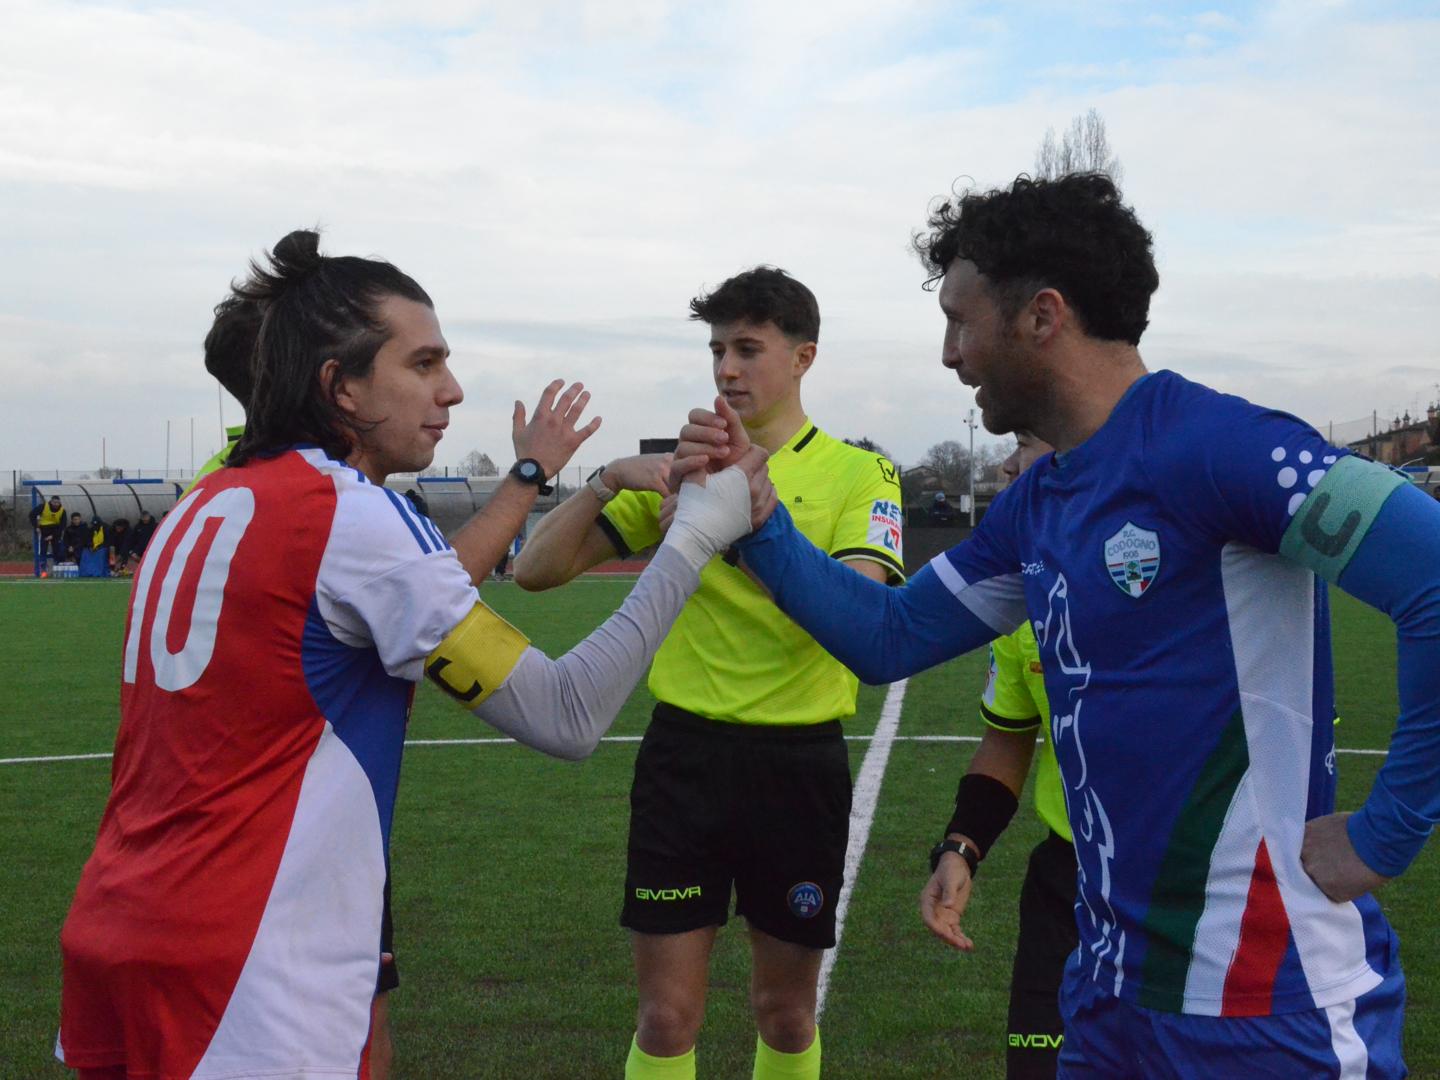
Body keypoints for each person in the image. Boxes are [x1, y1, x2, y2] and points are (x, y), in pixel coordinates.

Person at [677, 173, 1440, 1078]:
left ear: (1042, 316)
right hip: (1105, 994)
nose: (951, 355)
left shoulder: (1218, 446)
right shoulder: (1038, 500)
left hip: (1267, 1008)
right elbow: (890, 636)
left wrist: (1386, 833)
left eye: (961, 322)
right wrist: (759, 517)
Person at [56, 229, 770, 1080]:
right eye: (424, 363)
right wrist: (694, 537)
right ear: (341, 387)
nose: (453, 389)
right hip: (247, 968)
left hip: (118, 929)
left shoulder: (203, 501)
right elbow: (568, 714)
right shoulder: (349, 514)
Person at [515, 266, 906, 1080]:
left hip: (798, 765)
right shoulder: (684, 468)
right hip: (684, 760)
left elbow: (859, 614)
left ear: (803, 357)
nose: (727, 369)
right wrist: (605, 480)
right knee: (665, 1018)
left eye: (748, 349)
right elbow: (535, 572)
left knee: (785, 1012)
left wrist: (732, 528)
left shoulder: (859, 475)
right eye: (718, 349)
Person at [918, 430, 1076, 1080]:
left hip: (1192, 891)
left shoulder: (1194, 571)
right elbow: (1008, 742)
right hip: (1067, 881)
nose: (1006, 465)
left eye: (1025, 442)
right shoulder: (1026, 599)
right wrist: (961, 848)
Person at [29, 494, 66, 565]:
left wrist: (53, 535)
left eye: (58, 502)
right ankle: (43, 565)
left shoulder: (62, 511)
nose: (56, 504)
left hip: (55, 532)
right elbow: (32, 515)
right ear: (51, 502)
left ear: (60, 502)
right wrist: (36, 526)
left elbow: (63, 526)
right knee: (43, 549)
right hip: (44, 531)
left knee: (57, 549)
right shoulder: (43, 506)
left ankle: (57, 564)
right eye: (54, 502)